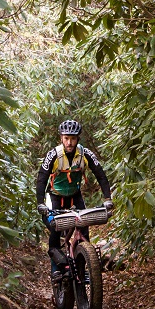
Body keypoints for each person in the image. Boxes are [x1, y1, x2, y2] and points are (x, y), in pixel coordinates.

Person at [35, 119, 113, 282]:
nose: (69, 142)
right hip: (55, 197)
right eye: (66, 138)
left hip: (74, 196)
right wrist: (40, 203)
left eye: (72, 138)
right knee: (55, 229)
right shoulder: (53, 155)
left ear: (78, 139)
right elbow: (42, 178)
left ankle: (83, 266)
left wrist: (107, 199)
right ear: (61, 138)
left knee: (84, 228)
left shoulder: (85, 154)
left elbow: (101, 175)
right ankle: (56, 270)